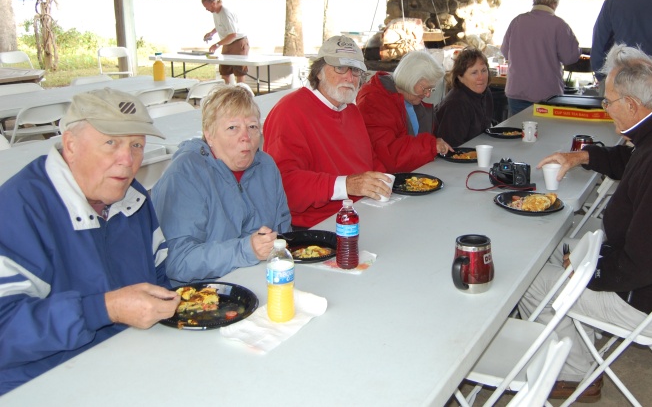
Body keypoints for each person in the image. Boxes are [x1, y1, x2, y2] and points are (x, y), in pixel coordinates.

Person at [519, 45, 652, 402]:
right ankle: (580, 329)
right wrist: (582, 156)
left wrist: (590, 270)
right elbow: (632, 160)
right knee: (551, 248)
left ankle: (575, 376)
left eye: (608, 101)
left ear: (632, 105)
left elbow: (649, 262)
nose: (605, 108)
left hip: (651, 301)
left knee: (527, 280)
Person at [0, 88, 179, 395]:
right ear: (70, 145)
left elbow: (161, 278)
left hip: (129, 365)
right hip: (41, 384)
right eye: (111, 142)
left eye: (137, 144)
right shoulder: (18, 209)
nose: (128, 160)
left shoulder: (132, 197)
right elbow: (6, 333)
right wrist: (105, 309)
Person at [152, 85, 291, 285]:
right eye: (232, 128)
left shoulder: (266, 166)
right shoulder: (185, 173)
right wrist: (246, 250)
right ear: (209, 135)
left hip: (261, 281)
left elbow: (283, 229)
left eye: (252, 127)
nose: (245, 137)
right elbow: (177, 260)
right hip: (201, 295)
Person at [262, 35, 391, 228]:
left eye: (356, 70)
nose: (349, 77)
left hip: (363, 213)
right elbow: (284, 186)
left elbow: (370, 162)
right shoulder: (289, 111)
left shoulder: (351, 111)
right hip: (315, 227)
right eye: (340, 68)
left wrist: (385, 181)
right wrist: (346, 185)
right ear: (319, 72)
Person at [356, 50, 452, 173]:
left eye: (431, 89)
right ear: (410, 80)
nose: (428, 94)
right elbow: (388, 155)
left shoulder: (411, 98)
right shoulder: (373, 102)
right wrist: (430, 146)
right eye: (425, 88)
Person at [500, 0, 581, 115]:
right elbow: (570, 57)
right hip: (547, 94)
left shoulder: (517, 21)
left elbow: (505, 52)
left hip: (517, 91)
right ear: (555, 3)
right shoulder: (559, 25)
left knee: (516, 132)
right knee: (547, 133)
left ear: (534, 0)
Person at [435, 48, 494, 147]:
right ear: (460, 77)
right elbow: (452, 147)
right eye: (474, 72)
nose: (481, 77)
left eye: (484, 70)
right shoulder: (456, 104)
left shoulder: (485, 93)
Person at [201, 0, 250, 84]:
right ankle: (227, 95)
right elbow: (221, 26)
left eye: (206, 7)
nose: (206, 9)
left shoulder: (225, 13)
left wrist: (217, 45)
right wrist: (211, 33)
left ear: (213, 3)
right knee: (225, 72)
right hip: (227, 42)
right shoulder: (215, 12)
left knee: (239, 73)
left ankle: (241, 96)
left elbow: (233, 35)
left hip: (238, 42)